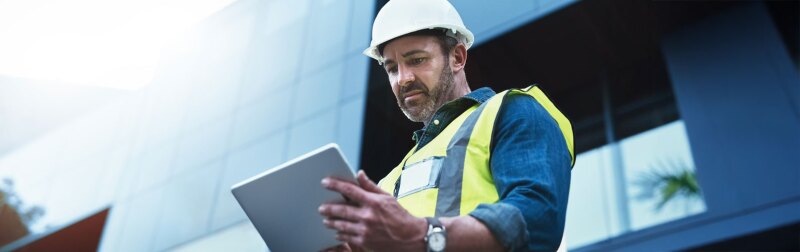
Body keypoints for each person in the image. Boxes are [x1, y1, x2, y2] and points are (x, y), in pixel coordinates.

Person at [319, 0, 574, 251]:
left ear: (457, 57)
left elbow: (538, 218)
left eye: (417, 60)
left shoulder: (511, 111)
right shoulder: (388, 182)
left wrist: (424, 235)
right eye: (392, 68)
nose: (403, 79)